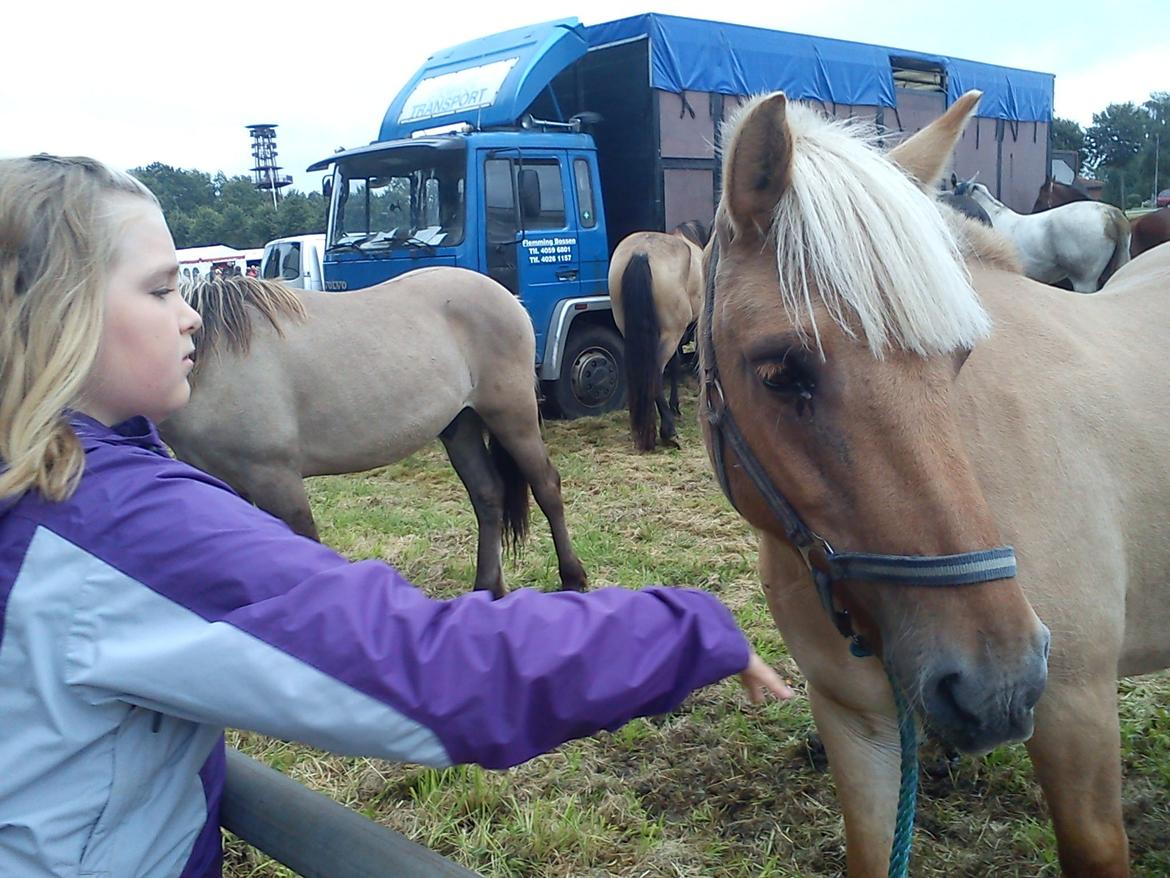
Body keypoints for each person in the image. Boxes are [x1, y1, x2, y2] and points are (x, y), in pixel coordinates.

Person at [0, 155, 793, 878]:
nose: (192, 316)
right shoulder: (112, 523)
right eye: (160, 289)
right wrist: (683, 630)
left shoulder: (53, 492)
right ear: (58, 315)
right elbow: (423, 667)